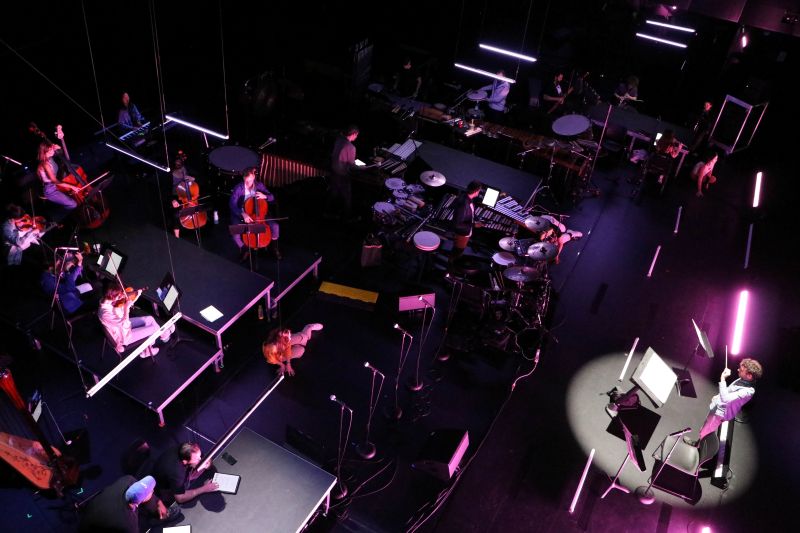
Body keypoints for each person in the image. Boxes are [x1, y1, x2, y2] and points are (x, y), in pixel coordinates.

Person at [683, 358, 763, 446]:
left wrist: (723, 378)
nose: (738, 370)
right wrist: (718, 397)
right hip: (719, 407)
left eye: (741, 370)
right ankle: (701, 443)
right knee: (706, 427)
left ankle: (699, 447)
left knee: (706, 431)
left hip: (720, 413)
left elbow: (725, 399)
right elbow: (729, 390)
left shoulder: (748, 391)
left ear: (749, 376)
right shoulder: (744, 379)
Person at [98, 282, 174, 358]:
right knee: (154, 328)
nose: (121, 295)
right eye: (118, 295)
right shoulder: (105, 313)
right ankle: (163, 336)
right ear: (111, 296)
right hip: (124, 335)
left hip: (122, 326)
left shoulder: (106, 301)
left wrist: (136, 295)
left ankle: (152, 344)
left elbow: (121, 308)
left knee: (150, 319)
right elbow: (124, 323)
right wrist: (126, 309)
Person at [229, 167, 280, 261]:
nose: (247, 183)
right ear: (243, 178)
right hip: (242, 214)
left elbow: (272, 197)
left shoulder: (259, 185)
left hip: (260, 214)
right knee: (235, 233)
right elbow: (232, 204)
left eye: (250, 181)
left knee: (275, 226)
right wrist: (242, 213)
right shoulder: (238, 188)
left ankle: (274, 248)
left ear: (253, 177)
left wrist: (265, 196)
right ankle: (245, 250)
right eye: (246, 181)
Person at [149, 442, 218, 509]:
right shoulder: (177, 472)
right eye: (197, 459)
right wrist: (204, 489)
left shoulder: (187, 448)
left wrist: (208, 463)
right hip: (161, 487)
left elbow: (201, 457)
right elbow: (180, 498)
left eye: (199, 456)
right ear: (185, 462)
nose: (200, 459)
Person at [78, 475, 155, 533]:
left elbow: (137, 484)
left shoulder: (127, 480)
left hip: (85, 519)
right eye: (152, 491)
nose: (153, 491)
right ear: (144, 499)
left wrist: (157, 501)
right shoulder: (129, 526)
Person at [41, 252, 95, 316]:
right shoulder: (47, 281)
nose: (62, 263)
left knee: (92, 286)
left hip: (70, 294)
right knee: (96, 297)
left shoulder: (55, 272)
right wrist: (67, 271)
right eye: (60, 261)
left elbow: (72, 277)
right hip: (67, 307)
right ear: (50, 266)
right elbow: (70, 287)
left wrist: (79, 264)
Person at [448, 180, 482, 271]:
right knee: (457, 251)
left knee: (458, 251)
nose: (479, 192)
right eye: (479, 190)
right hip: (462, 233)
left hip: (466, 230)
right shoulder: (464, 204)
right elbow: (458, 224)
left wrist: (477, 218)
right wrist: (474, 225)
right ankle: (450, 268)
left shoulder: (468, 198)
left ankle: (454, 263)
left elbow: (471, 212)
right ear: (476, 191)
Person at [328, 125, 360, 221]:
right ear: (353, 134)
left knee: (333, 193)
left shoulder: (338, 140)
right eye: (357, 135)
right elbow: (352, 165)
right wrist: (363, 167)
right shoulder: (351, 147)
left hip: (333, 171)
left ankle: (329, 213)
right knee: (347, 197)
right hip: (342, 175)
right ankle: (347, 218)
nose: (356, 137)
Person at [37, 142, 79, 211]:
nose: (52, 151)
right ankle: (65, 213)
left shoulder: (50, 158)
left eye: (51, 149)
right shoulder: (45, 164)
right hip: (50, 190)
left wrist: (58, 148)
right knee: (73, 204)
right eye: (50, 150)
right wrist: (72, 186)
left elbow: (60, 153)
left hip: (54, 185)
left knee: (73, 197)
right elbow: (54, 181)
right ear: (45, 152)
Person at [170, 151, 197, 238]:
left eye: (180, 163)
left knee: (195, 207)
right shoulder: (170, 173)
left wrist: (193, 178)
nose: (178, 164)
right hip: (176, 195)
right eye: (176, 163)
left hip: (186, 193)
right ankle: (176, 235)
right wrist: (172, 200)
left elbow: (195, 176)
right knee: (176, 214)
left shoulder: (185, 168)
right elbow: (165, 189)